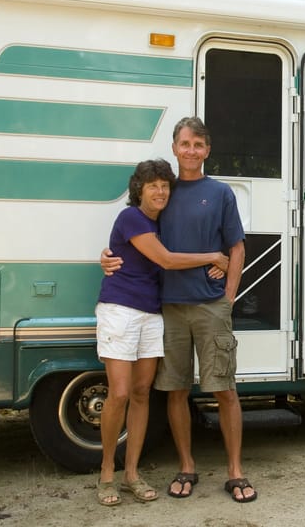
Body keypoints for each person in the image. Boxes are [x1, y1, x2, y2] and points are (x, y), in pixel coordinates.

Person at [101, 116, 257, 503]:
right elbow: (139, 242)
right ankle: (186, 465)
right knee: (175, 391)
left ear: (207, 150)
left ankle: (235, 471)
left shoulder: (220, 193)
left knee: (225, 390)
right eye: (185, 144)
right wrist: (106, 256)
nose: (191, 151)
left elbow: (236, 248)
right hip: (166, 308)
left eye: (199, 145)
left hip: (210, 306)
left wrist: (230, 295)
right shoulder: (162, 194)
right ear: (174, 148)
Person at [95, 158, 229, 507]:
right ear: (139, 189)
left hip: (153, 313)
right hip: (120, 310)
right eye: (152, 185)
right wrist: (213, 256)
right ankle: (107, 473)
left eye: (165, 185)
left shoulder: (161, 223)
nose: (160, 191)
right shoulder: (131, 218)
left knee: (142, 393)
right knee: (120, 393)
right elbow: (167, 260)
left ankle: (132, 475)